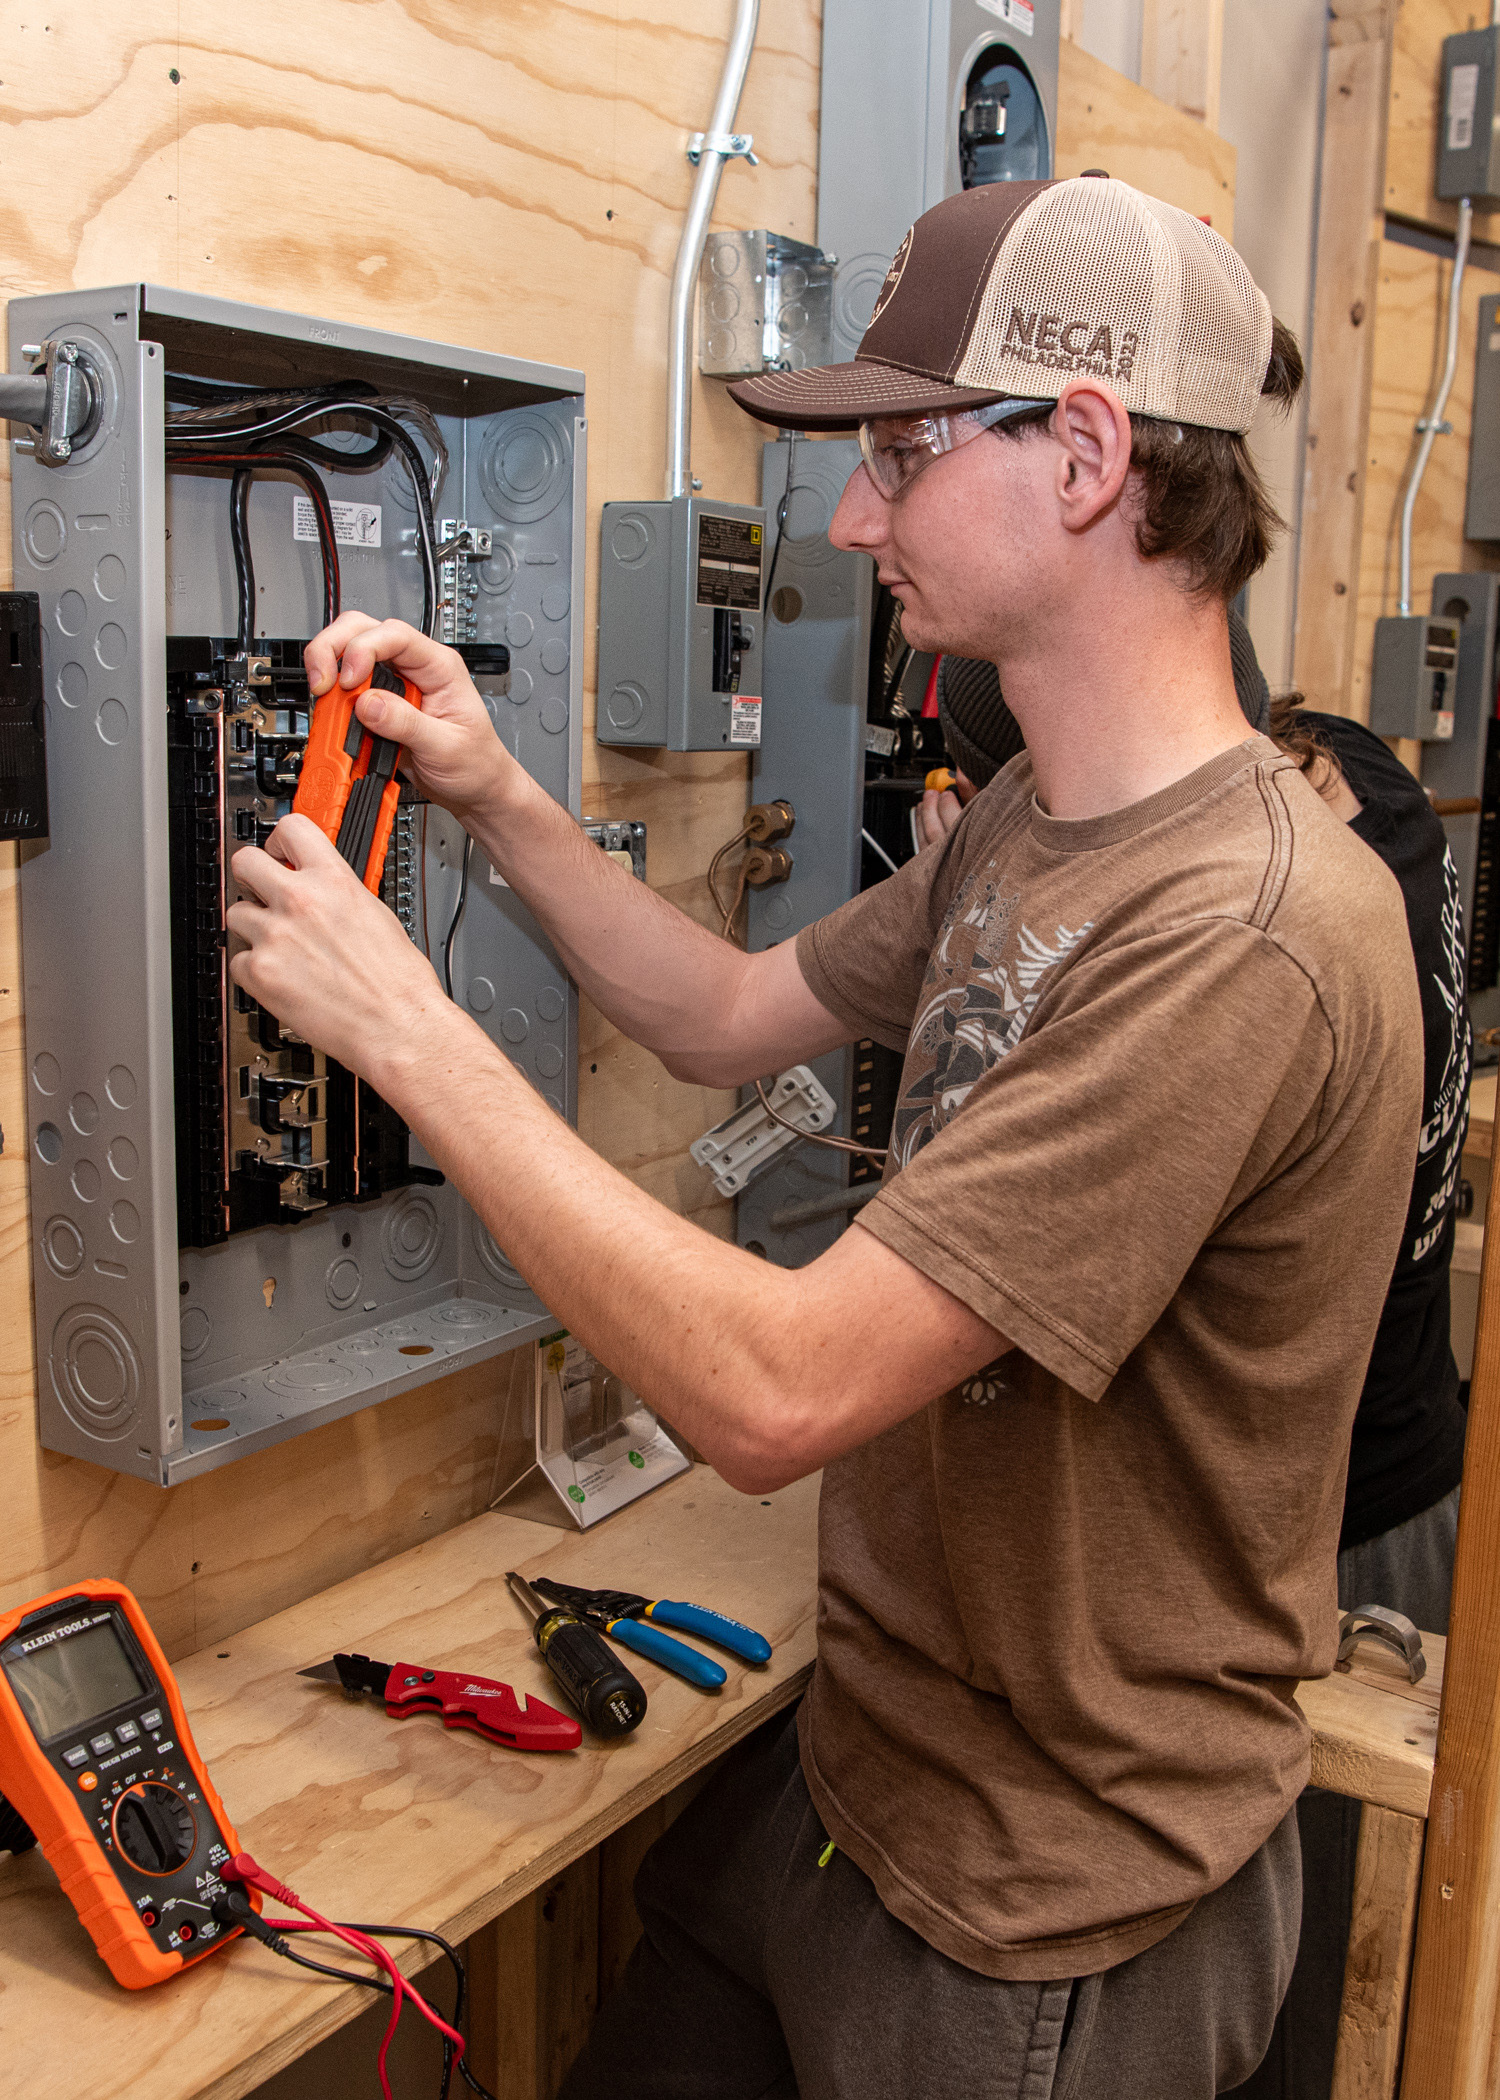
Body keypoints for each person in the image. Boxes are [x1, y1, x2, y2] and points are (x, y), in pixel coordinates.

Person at [224, 176, 1424, 2097]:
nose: (856, 516)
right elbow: (717, 1016)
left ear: (1090, 454)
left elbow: (776, 1399)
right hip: (861, 1781)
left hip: (1046, 1920)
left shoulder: (1245, 937)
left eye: (902, 454)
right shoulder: (1038, 820)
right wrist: (497, 798)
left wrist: (400, 1029)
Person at [919, 638, 1471, 2097]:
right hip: (1399, 1465)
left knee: (1307, 2021)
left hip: (1296, 1550)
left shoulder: (1238, 923)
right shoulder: (1373, 796)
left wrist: (995, 924)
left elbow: (1111, 1133)